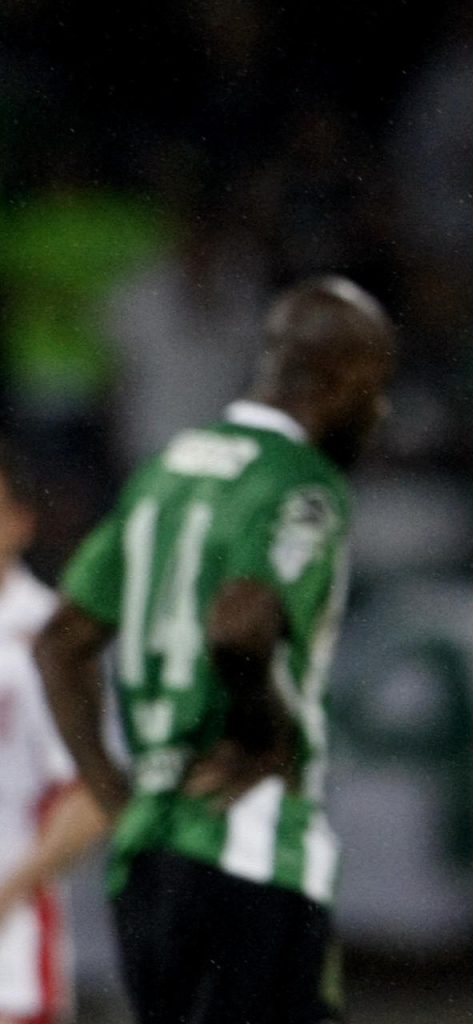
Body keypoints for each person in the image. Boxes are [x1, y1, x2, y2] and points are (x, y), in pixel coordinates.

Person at [34, 276, 396, 1024]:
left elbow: (64, 640)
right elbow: (240, 622)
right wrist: (264, 732)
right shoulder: (301, 484)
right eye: (377, 387)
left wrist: (114, 791)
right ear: (341, 380)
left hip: (150, 865)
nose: (382, 411)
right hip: (252, 847)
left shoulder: (166, 471)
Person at [0, 440, 110, 1024]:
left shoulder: (50, 640)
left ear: (21, 522)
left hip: (10, 964)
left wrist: (11, 889)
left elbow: (91, 793)